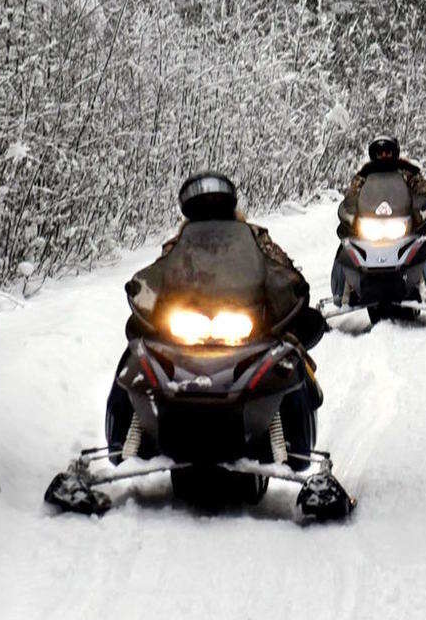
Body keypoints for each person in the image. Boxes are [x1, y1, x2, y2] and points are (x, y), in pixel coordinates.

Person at [114, 171, 325, 460]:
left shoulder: (254, 237)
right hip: (186, 325)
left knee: (288, 354)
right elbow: (160, 273)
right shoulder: (177, 245)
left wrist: (290, 290)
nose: (210, 212)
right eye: (203, 207)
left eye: (215, 205)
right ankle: (127, 443)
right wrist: (145, 294)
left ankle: (290, 445)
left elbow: (281, 270)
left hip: (244, 324)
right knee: (137, 353)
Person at [336, 135, 426, 300]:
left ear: (395, 153)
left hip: (402, 222)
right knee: (346, 246)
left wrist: (418, 205)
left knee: (424, 241)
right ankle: (343, 292)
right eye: (380, 153)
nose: (384, 156)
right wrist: (351, 212)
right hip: (371, 223)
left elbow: (425, 191)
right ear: (374, 155)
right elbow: (352, 196)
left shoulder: (408, 171)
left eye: (387, 152)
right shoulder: (364, 175)